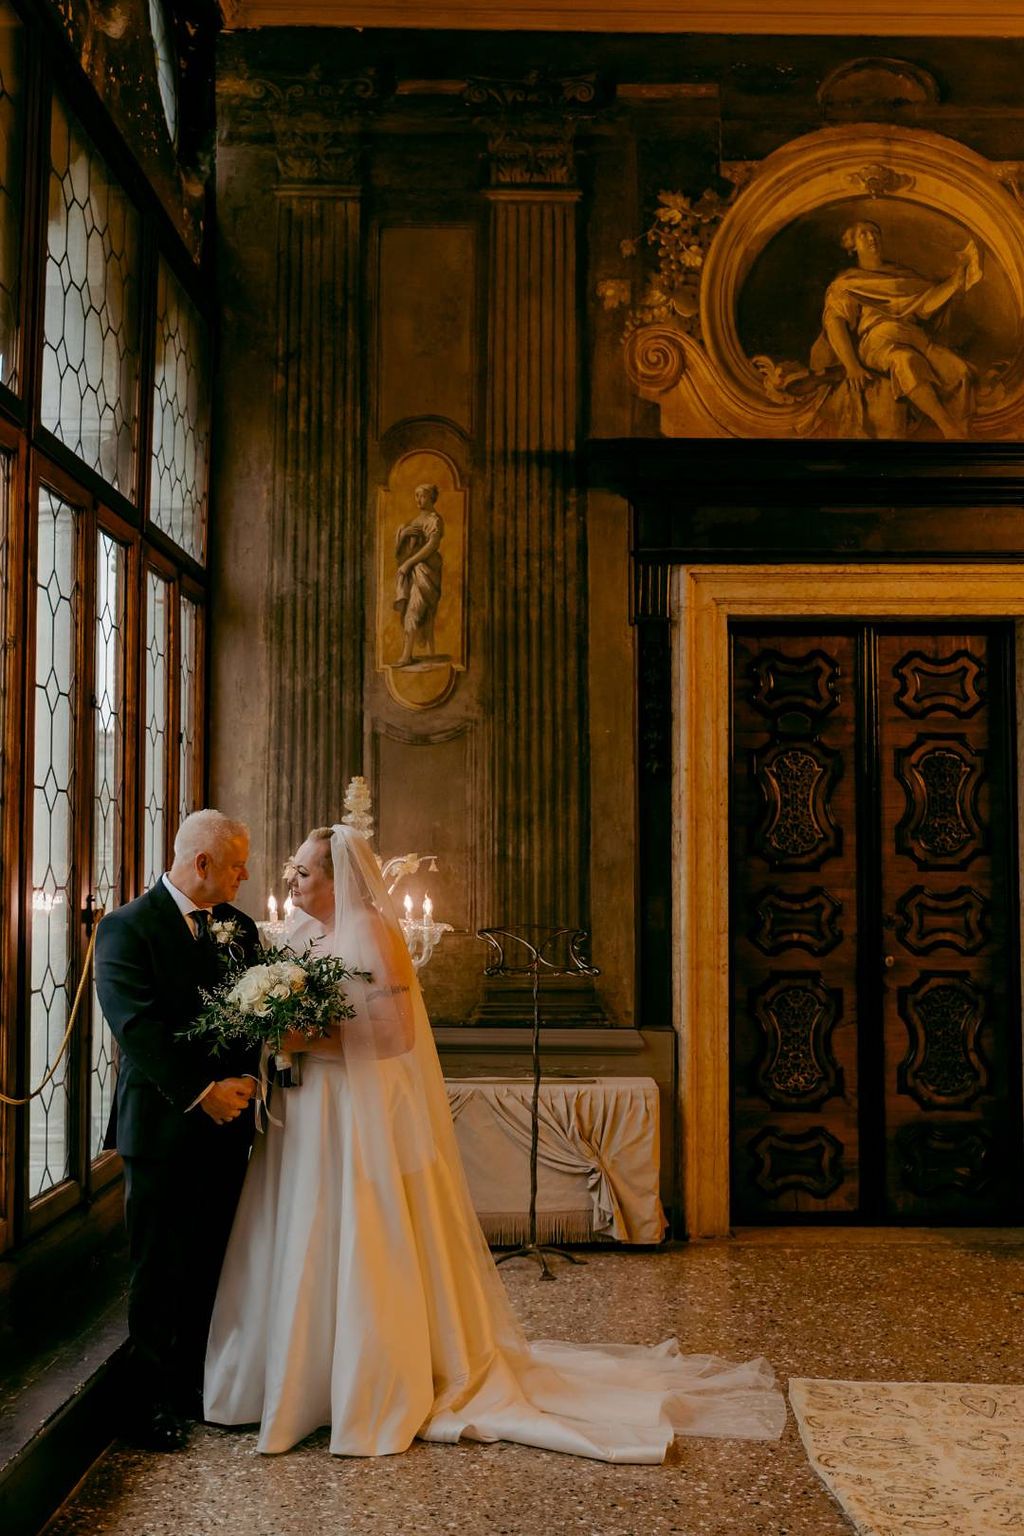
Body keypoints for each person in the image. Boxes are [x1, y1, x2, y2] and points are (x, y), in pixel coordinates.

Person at [204, 823, 786, 1461]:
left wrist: (300, 1039)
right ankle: (300, 1377)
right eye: (293, 870)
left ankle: (366, 1381)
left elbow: (394, 1036)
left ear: (339, 883)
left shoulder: (372, 933)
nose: (291, 879)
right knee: (305, 1231)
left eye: (304, 873)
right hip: (306, 1110)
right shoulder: (297, 936)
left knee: (359, 1233)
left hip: (352, 1111)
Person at [94, 809, 260, 1452]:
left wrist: (246, 1082)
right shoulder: (126, 928)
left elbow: (255, 1009)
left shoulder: (240, 929)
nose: (246, 874)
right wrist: (202, 1093)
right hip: (162, 1128)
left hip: (230, 1128)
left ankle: (197, 1386)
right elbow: (137, 1029)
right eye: (237, 863)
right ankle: (147, 1405)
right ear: (202, 864)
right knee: (158, 1268)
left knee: (212, 1260)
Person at [809, 220, 982, 440]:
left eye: (875, 232)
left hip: (917, 339)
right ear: (852, 246)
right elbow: (835, 322)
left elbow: (925, 306)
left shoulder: (903, 275)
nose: (872, 238)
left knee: (959, 371)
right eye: (864, 234)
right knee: (906, 361)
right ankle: (948, 428)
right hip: (878, 342)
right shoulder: (847, 282)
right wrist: (852, 366)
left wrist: (957, 279)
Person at [393, 482, 444, 666]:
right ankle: (408, 653)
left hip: (426, 572)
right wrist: (403, 535)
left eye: (422, 495)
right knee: (409, 610)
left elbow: (432, 546)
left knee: (414, 610)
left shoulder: (434, 520)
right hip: (410, 574)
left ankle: (407, 655)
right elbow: (398, 553)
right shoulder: (412, 522)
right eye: (416, 495)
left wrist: (409, 563)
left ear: (431, 497)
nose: (418, 499)